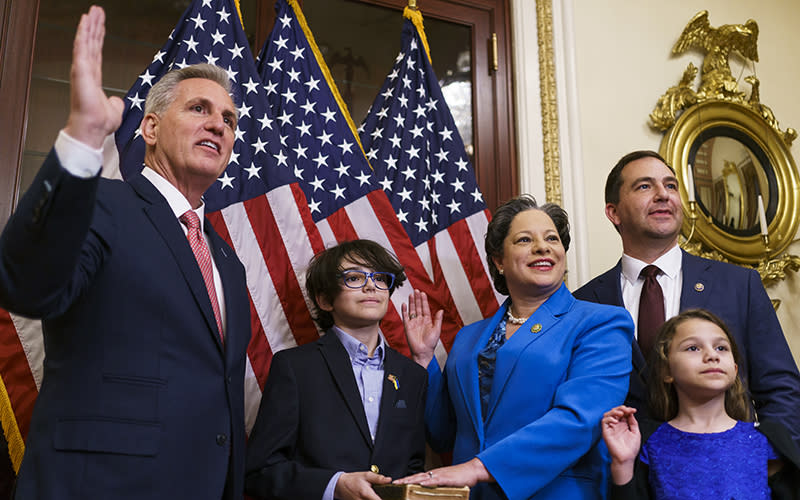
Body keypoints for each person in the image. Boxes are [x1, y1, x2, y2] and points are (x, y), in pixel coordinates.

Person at [0, 7, 250, 499]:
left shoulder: (227, 259)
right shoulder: (100, 202)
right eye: (199, 109)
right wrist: (81, 142)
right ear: (150, 129)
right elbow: (25, 284)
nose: (219, 125)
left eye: (228, 119)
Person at [394, 195, 634, 499]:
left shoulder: (601, 323)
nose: (542, 247)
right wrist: (424, 359)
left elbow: (579, 420)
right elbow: (442, 435)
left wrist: (480, 468)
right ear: (499, 261)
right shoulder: (468, 338)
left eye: (552, 238)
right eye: (524, 239)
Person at [574, 150, 800, 446]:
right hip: (623, 480)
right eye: (644, 186)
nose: (663, 195)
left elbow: (781, 388)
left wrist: (768, 458)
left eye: (670, 185)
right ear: (614, 212)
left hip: (727, 474)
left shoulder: (739, 284)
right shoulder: (584, 302)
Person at [245, 240, 428, 500]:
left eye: (379, 278)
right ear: (325, 300)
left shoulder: (413, 374)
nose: (370, 286)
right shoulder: (295, 368)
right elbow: (259, 472)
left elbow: (413, 466)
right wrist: (334, 485)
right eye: (353, 277)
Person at [602, 309, 800, 499]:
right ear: (666, 371)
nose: (712, 356)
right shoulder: (647, 441)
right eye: (693, 348)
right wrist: (623, 464)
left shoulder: (767, 440)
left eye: (721, 348)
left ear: (734, 367)